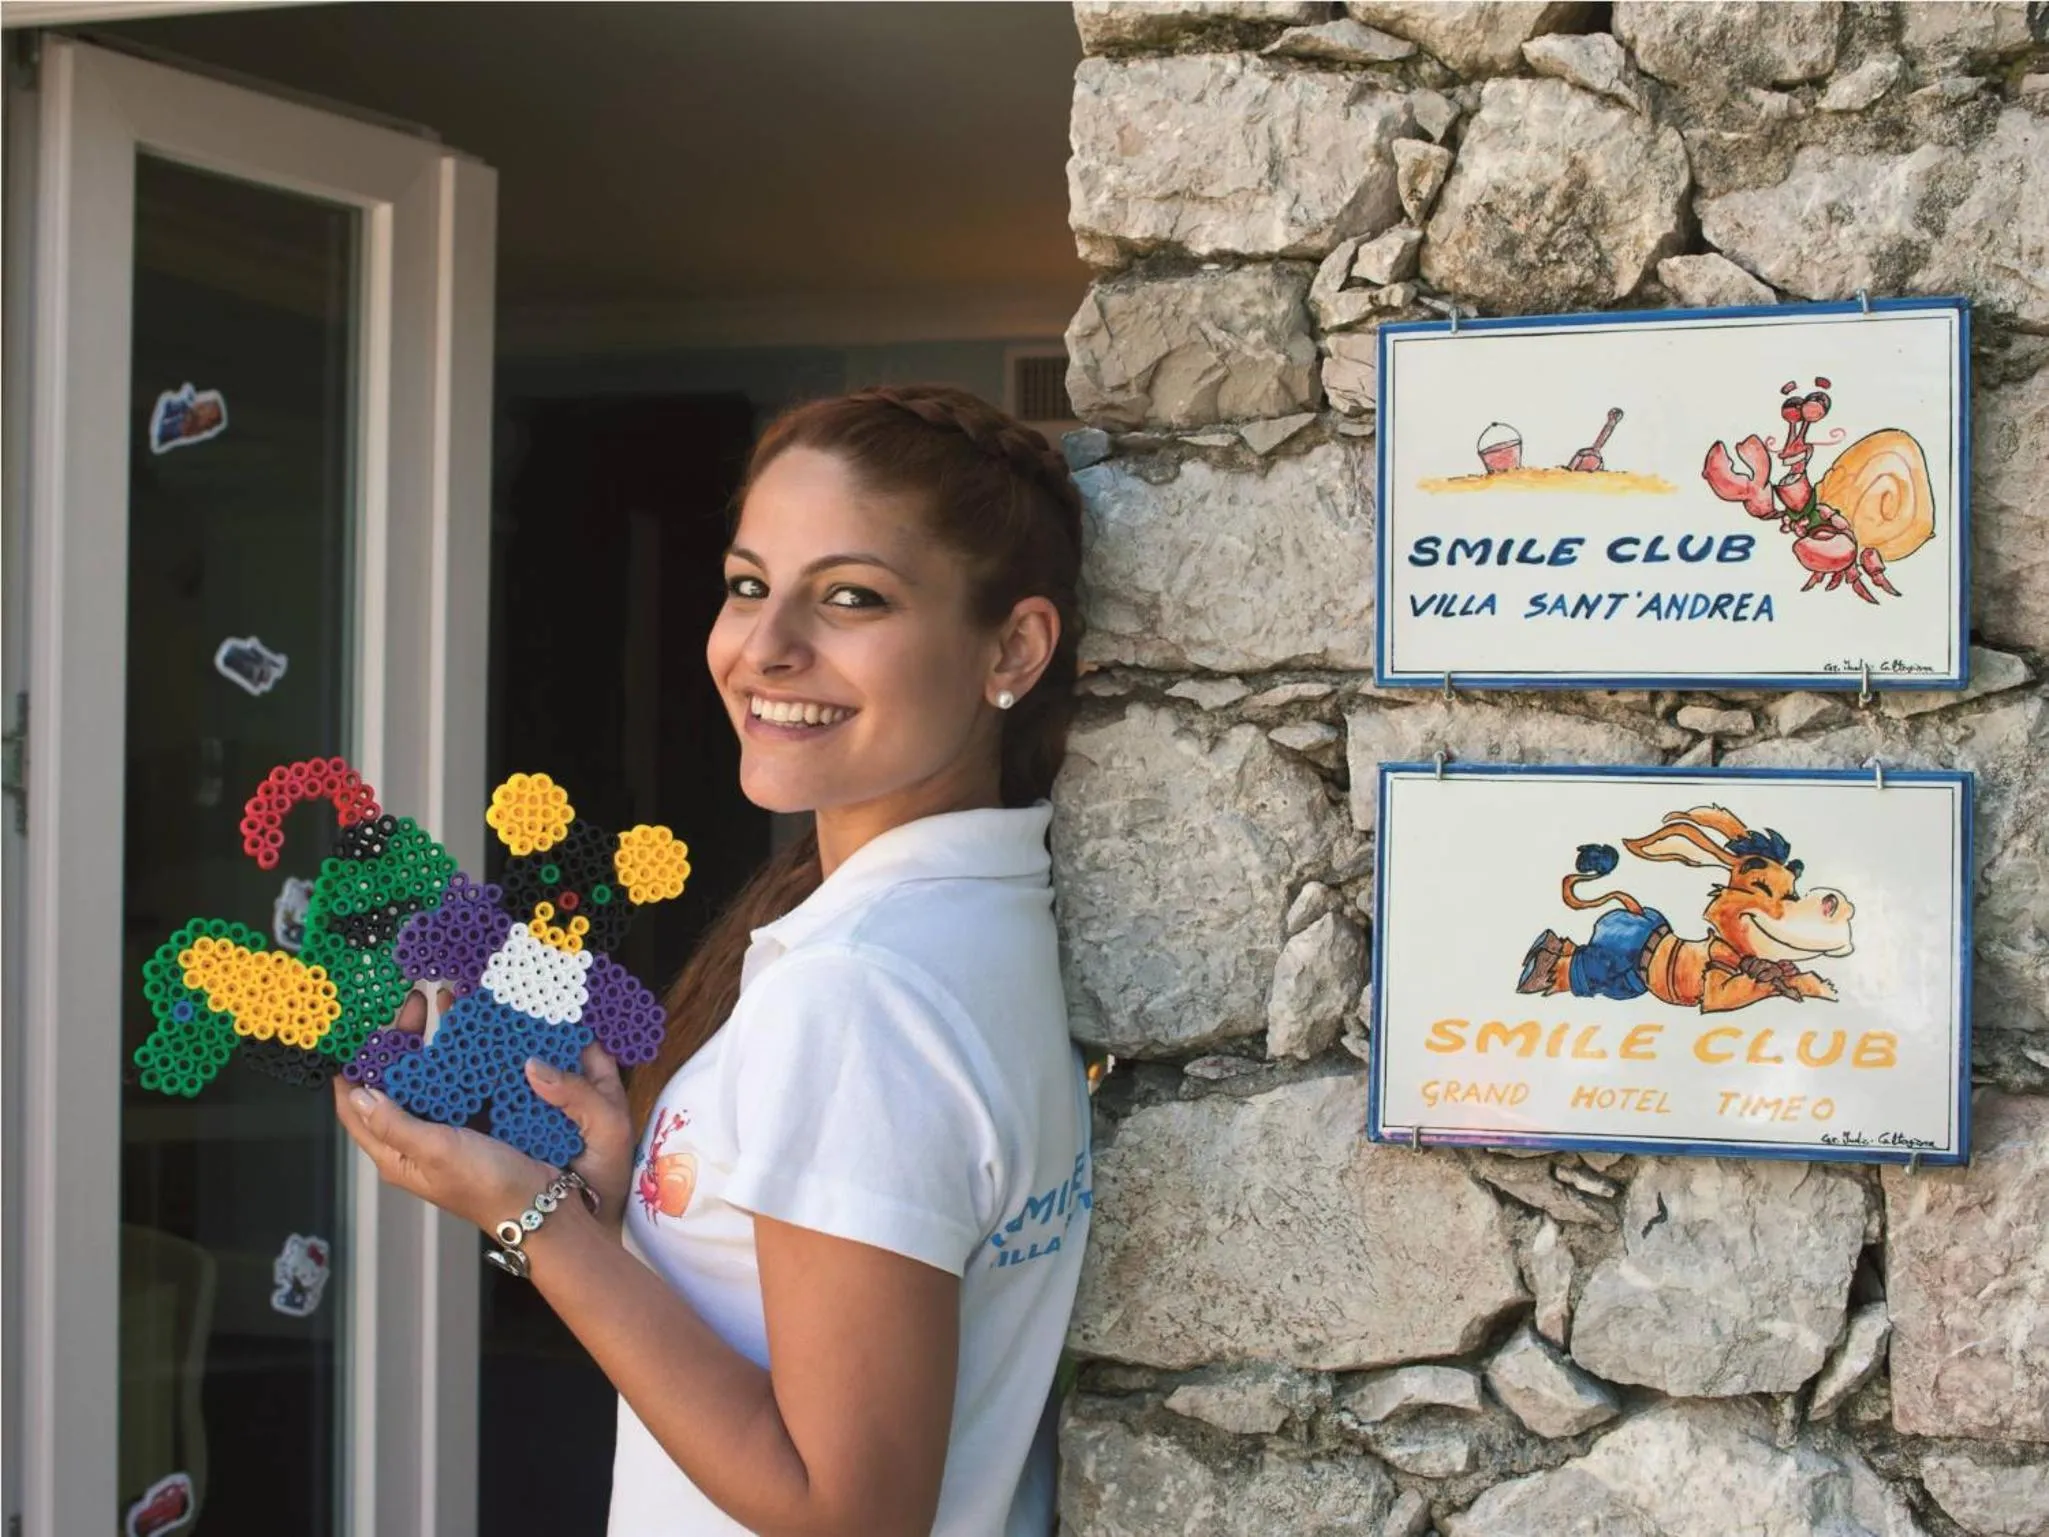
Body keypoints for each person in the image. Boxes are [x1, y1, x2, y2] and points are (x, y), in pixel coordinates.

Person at [336, 383, 1094, 1536]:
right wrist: (613, 1202)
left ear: (1015, 647)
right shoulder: (983, 913)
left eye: (851, 597)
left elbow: (846, 1509)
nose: (765, 649)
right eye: (748, 585)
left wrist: (523, 1219)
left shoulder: (860, 992)